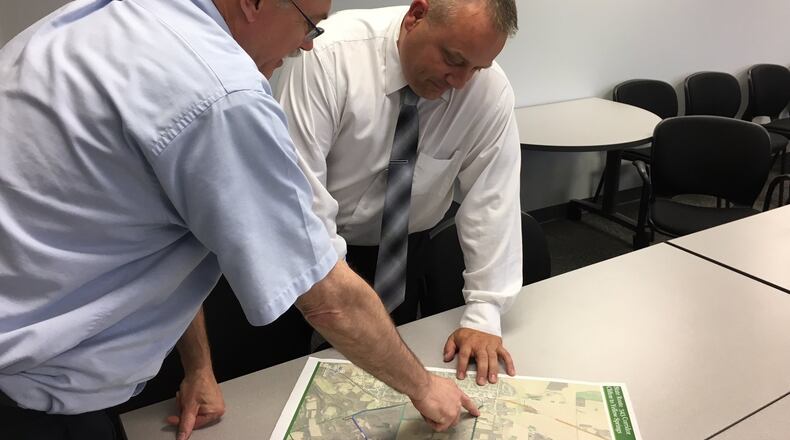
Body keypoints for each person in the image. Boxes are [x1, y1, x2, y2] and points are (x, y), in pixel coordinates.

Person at [0, 0, 477, 439]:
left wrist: (198, 367)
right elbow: (327, 298)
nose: (307, 43)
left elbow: (157, 234)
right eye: (308, 24)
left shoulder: (107, 17)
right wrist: (424, 388)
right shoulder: (220, 93)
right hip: (31, 393)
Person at [271, 0, 523, 386]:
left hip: (399, 253)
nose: (460, 82)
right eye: (453, 59)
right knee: (277, 377)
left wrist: (485, 312)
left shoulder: (486, 90)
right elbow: (297, 204)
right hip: (306, 247)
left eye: (477, 68)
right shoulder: (327, 57)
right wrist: (339, 302)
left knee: (384, 377)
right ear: (416, 15)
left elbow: (494, 200)